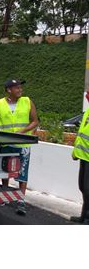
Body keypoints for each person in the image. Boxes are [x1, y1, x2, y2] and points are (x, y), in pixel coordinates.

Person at [0, 79, 39, 216]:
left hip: (23, 144)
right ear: (8, 90)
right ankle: (4, 195)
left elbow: (35, 121)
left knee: (22, 172)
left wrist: (22, 132)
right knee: (5, 170)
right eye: (17, 88)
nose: (20, 90)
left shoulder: (27, 101)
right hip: (6, 143)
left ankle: (21, 200)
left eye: (20, 87)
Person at [69, 92, 89, 224]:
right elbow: (82, 134)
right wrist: (76, 152)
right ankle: (84, 215)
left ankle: (87, 217)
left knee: (88, 188)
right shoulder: (88, 111)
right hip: (84, 156)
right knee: (83, 187)